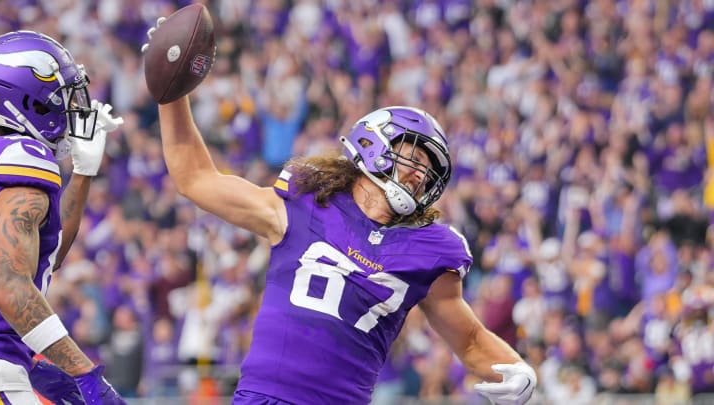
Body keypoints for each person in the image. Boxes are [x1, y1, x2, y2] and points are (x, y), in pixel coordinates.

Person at [152, 59, 537, 405]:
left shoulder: (429, 249)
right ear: (375, 142)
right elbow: (196, 178)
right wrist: (172, 94)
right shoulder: (303, 203)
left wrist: (517, 368)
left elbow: (469, 339)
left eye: (428, 172)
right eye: (416, 157)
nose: (420, 174)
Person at [0, 30, 127, 404]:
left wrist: (82, 175)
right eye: (62, 97)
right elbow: (8, 284)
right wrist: (84, 372)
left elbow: (38, 258)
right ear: (26, 99)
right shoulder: (22, 155)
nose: (71, 108)